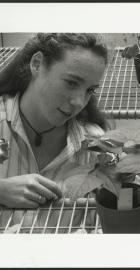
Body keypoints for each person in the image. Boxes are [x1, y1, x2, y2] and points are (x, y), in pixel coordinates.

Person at [0, 33, 111, 232]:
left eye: (90, 90)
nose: (79, 101)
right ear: (37, 64)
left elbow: (104, 228)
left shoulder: (95, 146)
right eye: (71, 82)